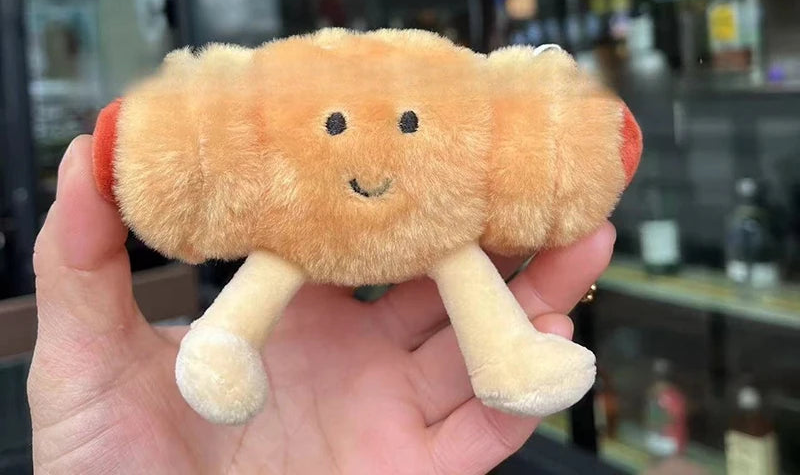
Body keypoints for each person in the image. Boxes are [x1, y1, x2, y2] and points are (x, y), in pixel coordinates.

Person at [28, 136, 615, 474]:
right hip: (304, 239)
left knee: (464, 262)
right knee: (268, 274)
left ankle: (508, 357)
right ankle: (219, 348)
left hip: (428, 234)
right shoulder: (284, 211)